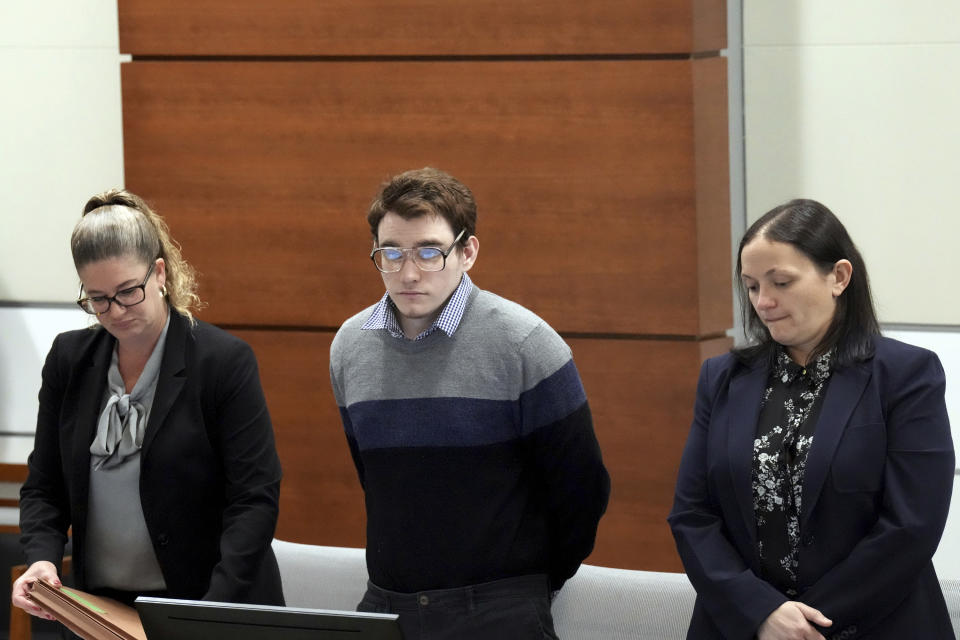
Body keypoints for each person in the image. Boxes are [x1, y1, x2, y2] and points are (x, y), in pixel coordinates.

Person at [329, 167, 610, 639]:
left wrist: (527, 587)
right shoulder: (349, 346)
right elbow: (377, 481)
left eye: (430, 252)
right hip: (388, 602)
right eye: (392, 254)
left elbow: (582, 491)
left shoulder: (525, 343)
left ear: (468, 252)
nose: (409, 273)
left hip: (499, 608)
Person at [668, 199, 955, 639]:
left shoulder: (905, 375)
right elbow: (692, 514)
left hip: (876, 622)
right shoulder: (723, 378)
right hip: (745, 626)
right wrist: (762, 613)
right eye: (750, 286)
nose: (764, 302)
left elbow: (911, 525)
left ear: (838, 277)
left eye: (781, 282)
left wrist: (806, 622)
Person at [13, 189, 284, 627]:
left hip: (208, 603)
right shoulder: (70, 359)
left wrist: (208, 613)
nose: (115, 312)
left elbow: (254, 499)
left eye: (128, 291)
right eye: (97, 299)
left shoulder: (221, 362)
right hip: (101, 609)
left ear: (158, 273)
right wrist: (42, 559)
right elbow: (44, 486)